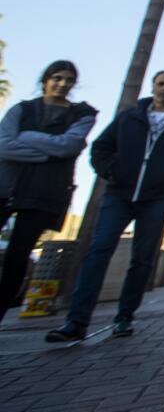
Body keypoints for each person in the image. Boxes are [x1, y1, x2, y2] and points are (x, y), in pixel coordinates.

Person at [46, 70, 164, 341]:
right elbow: (101, 147)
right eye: (161, 84)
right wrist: (111, 171)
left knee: (143, 258)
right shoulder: (130, 117)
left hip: (157, 196)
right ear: (153, 86)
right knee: (98, 251)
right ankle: (76, 321)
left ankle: (125, 317)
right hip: (119, 193)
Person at [0, 61, 97, 325]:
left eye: (68, 80)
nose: (62, 84)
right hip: (6, 187)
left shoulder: (82, 114)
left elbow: (68, 146)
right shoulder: (21, 109)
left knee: (18, 257)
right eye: (57, 78)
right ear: (45, 80)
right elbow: (3, 145)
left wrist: (27, 137)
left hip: (43, 193)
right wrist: (47, 154)